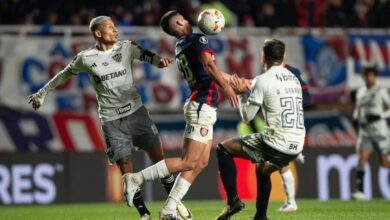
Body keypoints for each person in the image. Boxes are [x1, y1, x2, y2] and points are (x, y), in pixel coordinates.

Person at [28, 16, 180, 220]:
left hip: (136, 113)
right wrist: (41, 93)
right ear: (98, 33)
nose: (115, 30)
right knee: (126, 166)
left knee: (159, 159)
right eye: (110, 27)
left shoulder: (126, 47)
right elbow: (63, 74)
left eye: (115, 26)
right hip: (111, 120)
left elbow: (149, 57)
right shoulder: (86, 58)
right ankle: (144, 214)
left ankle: (174, 205)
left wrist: (160, 62)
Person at [121, 10, 239, 220]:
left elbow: (209, 70)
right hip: (201, 104)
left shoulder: (181, 45)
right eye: (183, 19)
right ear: (178, 22)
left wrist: (234, 81)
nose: (188, 21)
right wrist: (227, 87)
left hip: (203, 105)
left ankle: (169, 208)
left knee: (200, 163)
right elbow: (209, 66)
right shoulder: (198, 39)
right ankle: (135, 178)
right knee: (187, 161)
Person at [215, 39, 306, 220]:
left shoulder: (262, 80)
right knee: (263, 169)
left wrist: (241, 94)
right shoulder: (294, 78)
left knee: (223, 148)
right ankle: (261, 217)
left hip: (276, 143)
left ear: (262, 57)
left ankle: (232, 201)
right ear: (284, 56)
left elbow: (247, 117)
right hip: (297, 143)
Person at [236, 114, 304, 213]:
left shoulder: (266, 120)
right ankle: (290, 203)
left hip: (268, 149)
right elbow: (246, 143)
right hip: (260, 152)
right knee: (281, 166)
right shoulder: (243, 126)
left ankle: (290, 203)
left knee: (282, 166)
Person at [351, 67, 390, 200]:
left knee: (384, 163)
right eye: (366, 76)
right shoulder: (361, 92)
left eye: (371, 75)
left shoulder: (381, 91)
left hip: (380, 132)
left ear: (375, 77)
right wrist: (355, 117)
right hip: (366, 132)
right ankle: (360, 192)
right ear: (363, 77)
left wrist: (379, 115)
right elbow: (358, 108)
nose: (369, 78)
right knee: (361, 159)